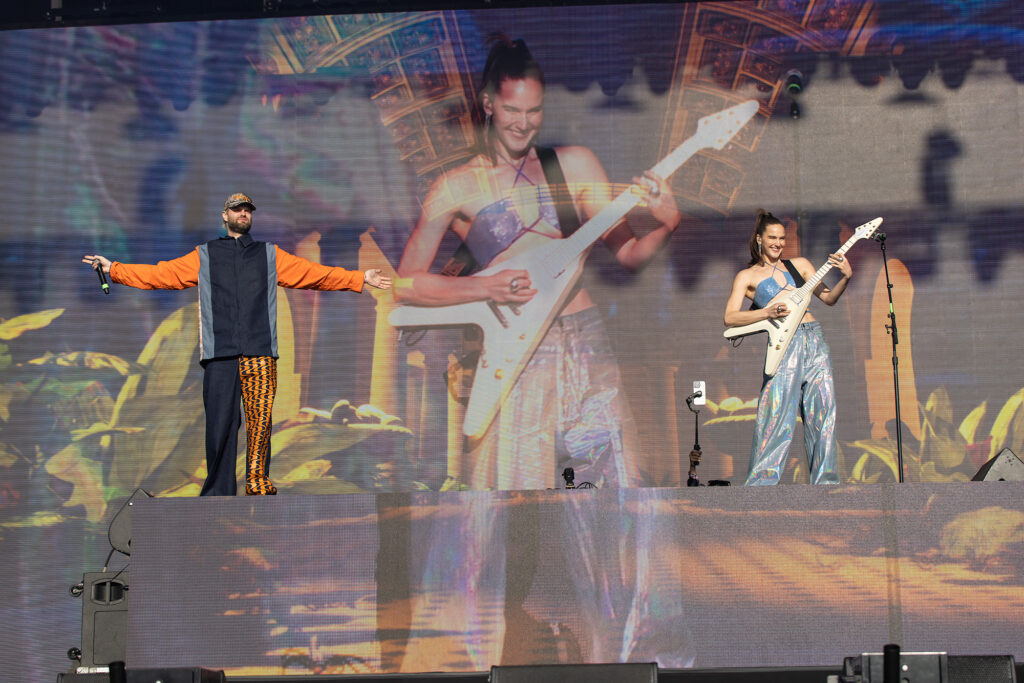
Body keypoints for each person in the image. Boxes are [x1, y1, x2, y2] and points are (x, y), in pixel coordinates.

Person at [394, 35, 682, 489]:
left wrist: (666, 225)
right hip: (518, 350)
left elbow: (628, 253)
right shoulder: (455, 187)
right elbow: (404, 286)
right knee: (516, 494)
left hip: (585, 337)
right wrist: (483, 288)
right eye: (512, 111)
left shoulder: (575, 165)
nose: (523, 124)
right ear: (488, 104)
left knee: (615, 485)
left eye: (534, 112)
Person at [82, 192, 392, 496]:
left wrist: (359, 278)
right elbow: (162, 274)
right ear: (225, 216)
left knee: (259, 423)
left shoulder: (269, 255)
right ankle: (219, 490)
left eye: (247, 210)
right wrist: (114, 270)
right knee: (220, 425)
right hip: (220, 355)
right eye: (236, 210)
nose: (243, 214)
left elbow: (312, 274)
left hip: (259, 354)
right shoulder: (205, 255)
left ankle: (257, 484)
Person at [723, 210, 852, 485]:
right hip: (785, 344)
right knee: (776, 414)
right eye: (772, 238)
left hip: (814, 339)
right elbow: (730, 317)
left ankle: (826, 485)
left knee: (823, 413)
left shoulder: (800, 265)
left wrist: (846, 277)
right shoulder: (746, 276)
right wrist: (766, 312)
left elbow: (828, 298)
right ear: (759, 239)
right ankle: (762, 486)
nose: (778, 243)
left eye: (782, 238)